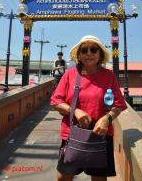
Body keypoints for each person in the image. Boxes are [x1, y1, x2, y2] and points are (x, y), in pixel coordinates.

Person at [51, 35, 127, 181]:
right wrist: (75, 110)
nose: (89, 53)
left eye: (94, 49)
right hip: (72, 134)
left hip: (100, 135)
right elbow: (55, 101)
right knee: (63, 177)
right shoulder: (69, 75)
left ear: (100, 55)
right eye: (84, 50)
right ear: (79, 55)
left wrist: (107, 118)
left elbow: (119, 104)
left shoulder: (108, 76)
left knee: (98, 179)